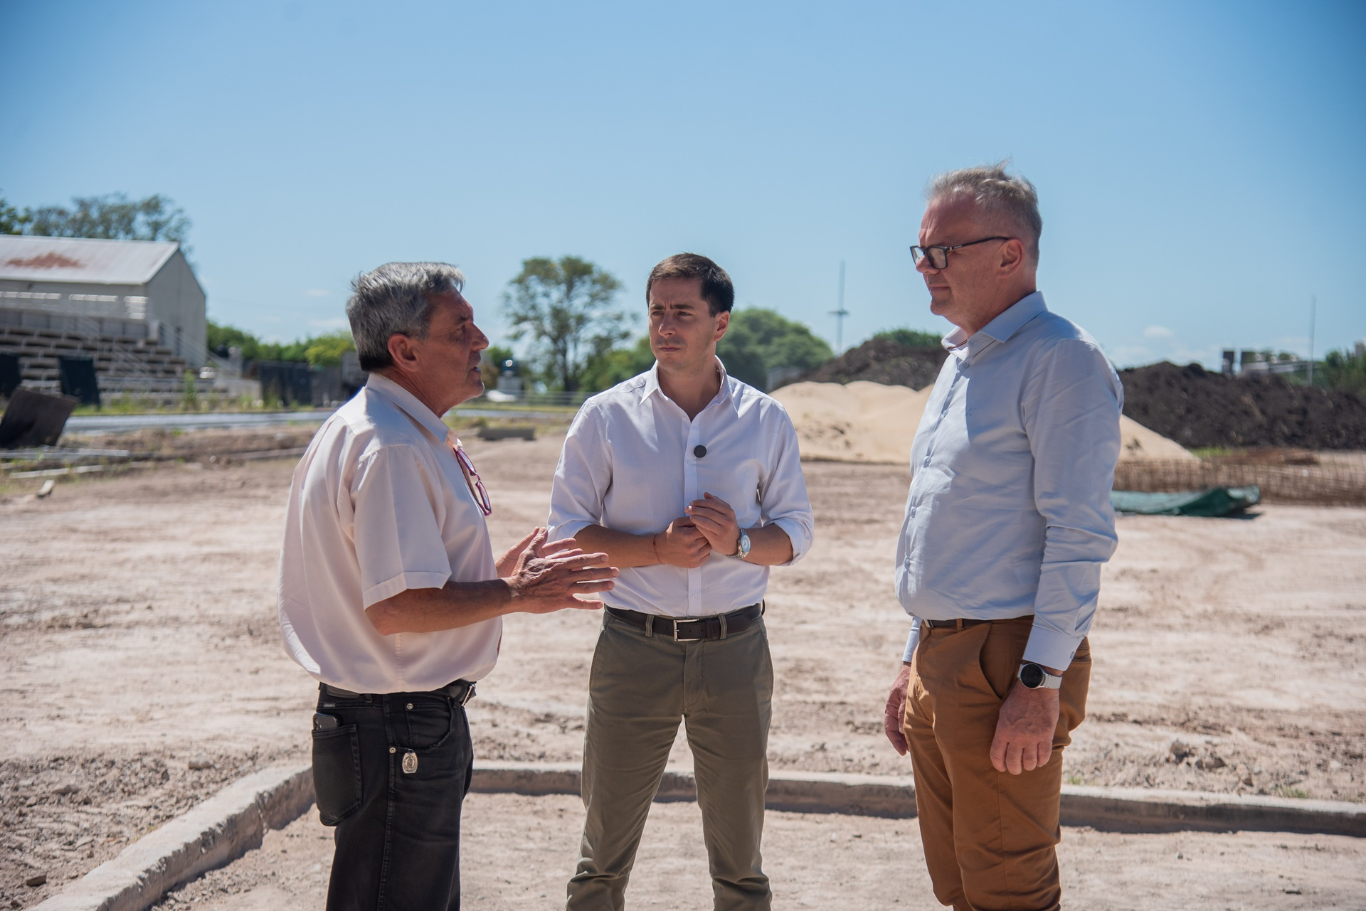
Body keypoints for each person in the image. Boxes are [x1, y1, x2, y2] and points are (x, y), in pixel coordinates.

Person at [277, 261, 618, 911]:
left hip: (389, 723)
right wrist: (515, 593)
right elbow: (399, 605)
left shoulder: (377, 429)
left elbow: (394, 586)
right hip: (397, 726)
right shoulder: (393, 446)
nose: (481, 339)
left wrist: (491, 580)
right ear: (405, 349)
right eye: (460, 327)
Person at [881, 164, 1122, 911]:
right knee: (959, 882)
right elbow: (946, 526)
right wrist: (910, 654)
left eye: (942, 250)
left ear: (1009, 253)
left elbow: (1078, 533)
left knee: (1008, 887)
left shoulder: (1061, 361)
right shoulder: (962, 360)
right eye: (919, 250)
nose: (926, 267)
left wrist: (1039, 682)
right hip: (940, 654)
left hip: (1006, 660)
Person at [548, 253, 814, 911]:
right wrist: (655, 549)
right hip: (633, 648)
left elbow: (795, 535)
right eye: (657, 312)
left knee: (740, 859)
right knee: (601, 853)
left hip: (736, 652)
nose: (665, 327)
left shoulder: (765, 420)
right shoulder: (605, 418)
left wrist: (739, 542)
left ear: (719, 322)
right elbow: (567, 534)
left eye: (683, 313)